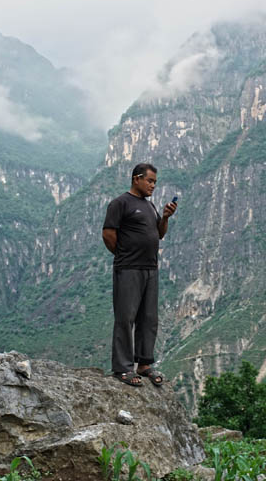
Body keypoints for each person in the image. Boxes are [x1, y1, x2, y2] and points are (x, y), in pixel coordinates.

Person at [102, 162, 177, 387]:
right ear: (137, 179)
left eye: (155, 182)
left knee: (149, 318)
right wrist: (124, 255)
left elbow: (159, 234)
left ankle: (144, 364)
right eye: (150, 181)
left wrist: (164, 218)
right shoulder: (120, 203)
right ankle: (123, 368)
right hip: (129, 268)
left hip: (150, 269)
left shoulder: (150, 206)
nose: (153, 185)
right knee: (126, 317)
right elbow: (108, 234)